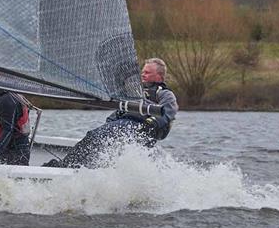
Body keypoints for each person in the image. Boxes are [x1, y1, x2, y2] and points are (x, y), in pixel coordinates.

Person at [44, 58, 178, 168]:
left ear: (159, 76)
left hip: (139, 129)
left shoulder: (165, 94)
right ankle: (72, 165)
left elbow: (167, 114)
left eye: (147, 73)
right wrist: (109, 124)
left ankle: (66, 166)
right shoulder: (133, 93)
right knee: (94, 136)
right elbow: (117, 114)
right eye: (142, 72)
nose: (142, 75)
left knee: (96, 137)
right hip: (123, 126)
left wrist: (149, 124)